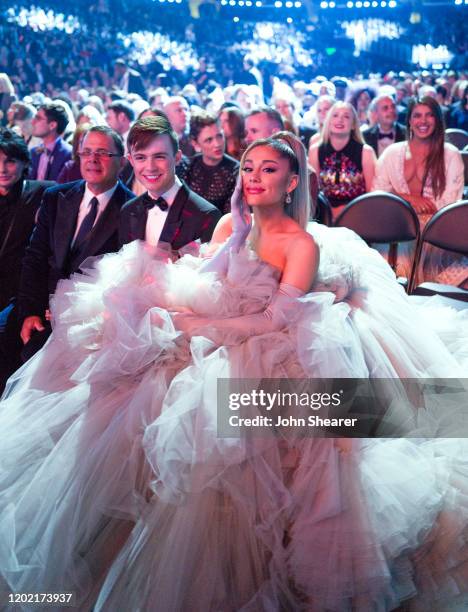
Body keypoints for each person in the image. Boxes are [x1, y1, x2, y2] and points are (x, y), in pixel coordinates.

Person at [1, 131, 468, 611]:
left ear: (291, 183)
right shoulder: (231, 224)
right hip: (219, 327)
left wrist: (200, 323)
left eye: (268, 170)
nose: (253, 178)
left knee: (219, 417)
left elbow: (274, 319)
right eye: (247, 168)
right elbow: (212, 277)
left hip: (267, 343)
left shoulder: (299, 243)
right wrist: (172, 294)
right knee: (125, 369)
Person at [17, 125, 134, 360]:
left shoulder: (133, 210)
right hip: (42, 309)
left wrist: (70, 313)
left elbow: (125, 282)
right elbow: (35, 258)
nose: (92, 159)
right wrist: (30, 311)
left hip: (92, 322)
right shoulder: (55, 197)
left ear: (122, 162)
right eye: (86, 152)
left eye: (102, 153)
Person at [373, 95, 465, 284]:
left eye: (429, 115)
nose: (423, 121)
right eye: (417, 115)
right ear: (409, 120)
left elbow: (448, 205)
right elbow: (378, 195)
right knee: (385, 273)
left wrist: (406, 207)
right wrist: (408, 198)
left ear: (437, 120)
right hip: (398, 229)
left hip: (438, 234)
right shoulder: (392, 153)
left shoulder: (450, 155)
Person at [0, 128, 54, 391]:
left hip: (20, 291)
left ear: (24, 164)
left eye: (10, 161)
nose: (2, 168)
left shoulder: (43, 194)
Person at [120, 115, 221, 249]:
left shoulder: (206, 216)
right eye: (141, 157)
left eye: (159, 156)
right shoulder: (127, 211)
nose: (150, 167)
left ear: (177, 157)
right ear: (131, 161)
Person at [309, 101, 377, 220]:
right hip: (324, 216)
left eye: (346, 116)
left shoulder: (366, 152)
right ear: (328, 122)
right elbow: (312, 194)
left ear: (353, 125)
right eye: (335, 115)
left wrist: (346, 213)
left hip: (358, 216)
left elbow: (372, 196)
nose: (340, 119)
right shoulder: (315, 150)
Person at [178, 111, 239, 214]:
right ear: (196, 144)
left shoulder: (235, 171)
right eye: (209, 140)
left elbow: (229, 217)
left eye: (219, 136)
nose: (217, 144)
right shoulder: (188, 166)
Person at [28, 102, 72, 181]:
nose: (32, 122)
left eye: (38, 118)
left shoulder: (67, 154)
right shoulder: (33, 152)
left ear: (52, 125)